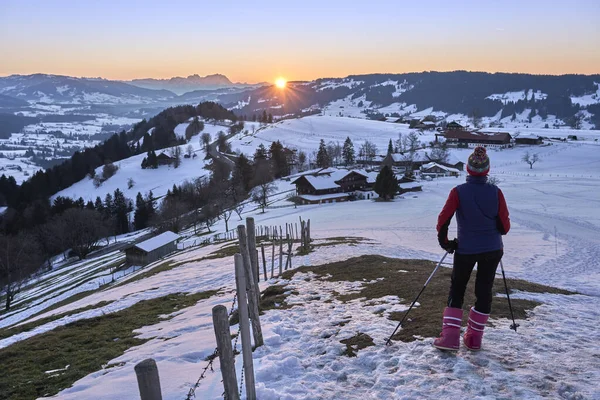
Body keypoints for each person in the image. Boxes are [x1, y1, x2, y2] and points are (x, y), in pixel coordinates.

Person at [433, 146, 510, 351]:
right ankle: (474, 338)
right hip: (492, 249)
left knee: (457, 288)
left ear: (468, 169)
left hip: (466, 249)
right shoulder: (496, 192)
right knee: (484, 291)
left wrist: (446, 243)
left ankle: (449, 338)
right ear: (487, 170)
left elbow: (443, 220)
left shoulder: (458, 192)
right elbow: (505, 226)